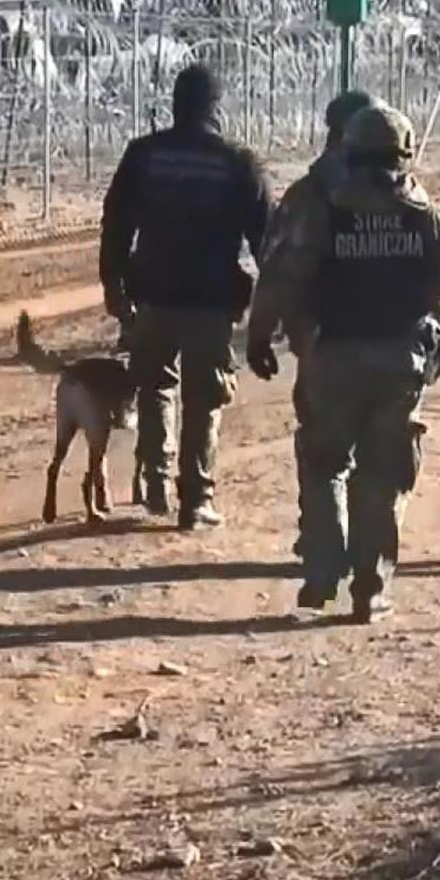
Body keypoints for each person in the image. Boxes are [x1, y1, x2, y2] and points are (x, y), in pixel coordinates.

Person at [246, 104, 440, 621]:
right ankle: (370, 587)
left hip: (330, 357)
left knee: (322, 463)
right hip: (401, 364)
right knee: (384, 474)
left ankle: (322, 568)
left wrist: (259, 334)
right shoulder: (426, 215)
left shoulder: (322, 210)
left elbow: (281, 275)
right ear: (405, 155)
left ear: (349, 151)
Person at [101, 63, 270, 530]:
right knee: (204, 396)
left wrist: (113, 284)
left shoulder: (144, 154)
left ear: (175, 104)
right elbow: (266, 241)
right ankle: (196, 498)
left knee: (155, 385)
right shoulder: (238, 162)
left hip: (152, 293)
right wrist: (275, 306)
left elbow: (115, 223)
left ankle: (154, 484)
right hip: (212, 301)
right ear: (216, 108)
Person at [261, 89, 384, 565]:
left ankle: (324, 548)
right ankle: (369, 564)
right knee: (376, 456)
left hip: (320, 343)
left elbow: (277, 267)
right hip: (391, 342)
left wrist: (261, 330)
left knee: (323, 452)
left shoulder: (308, 193)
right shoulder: (402, 189)